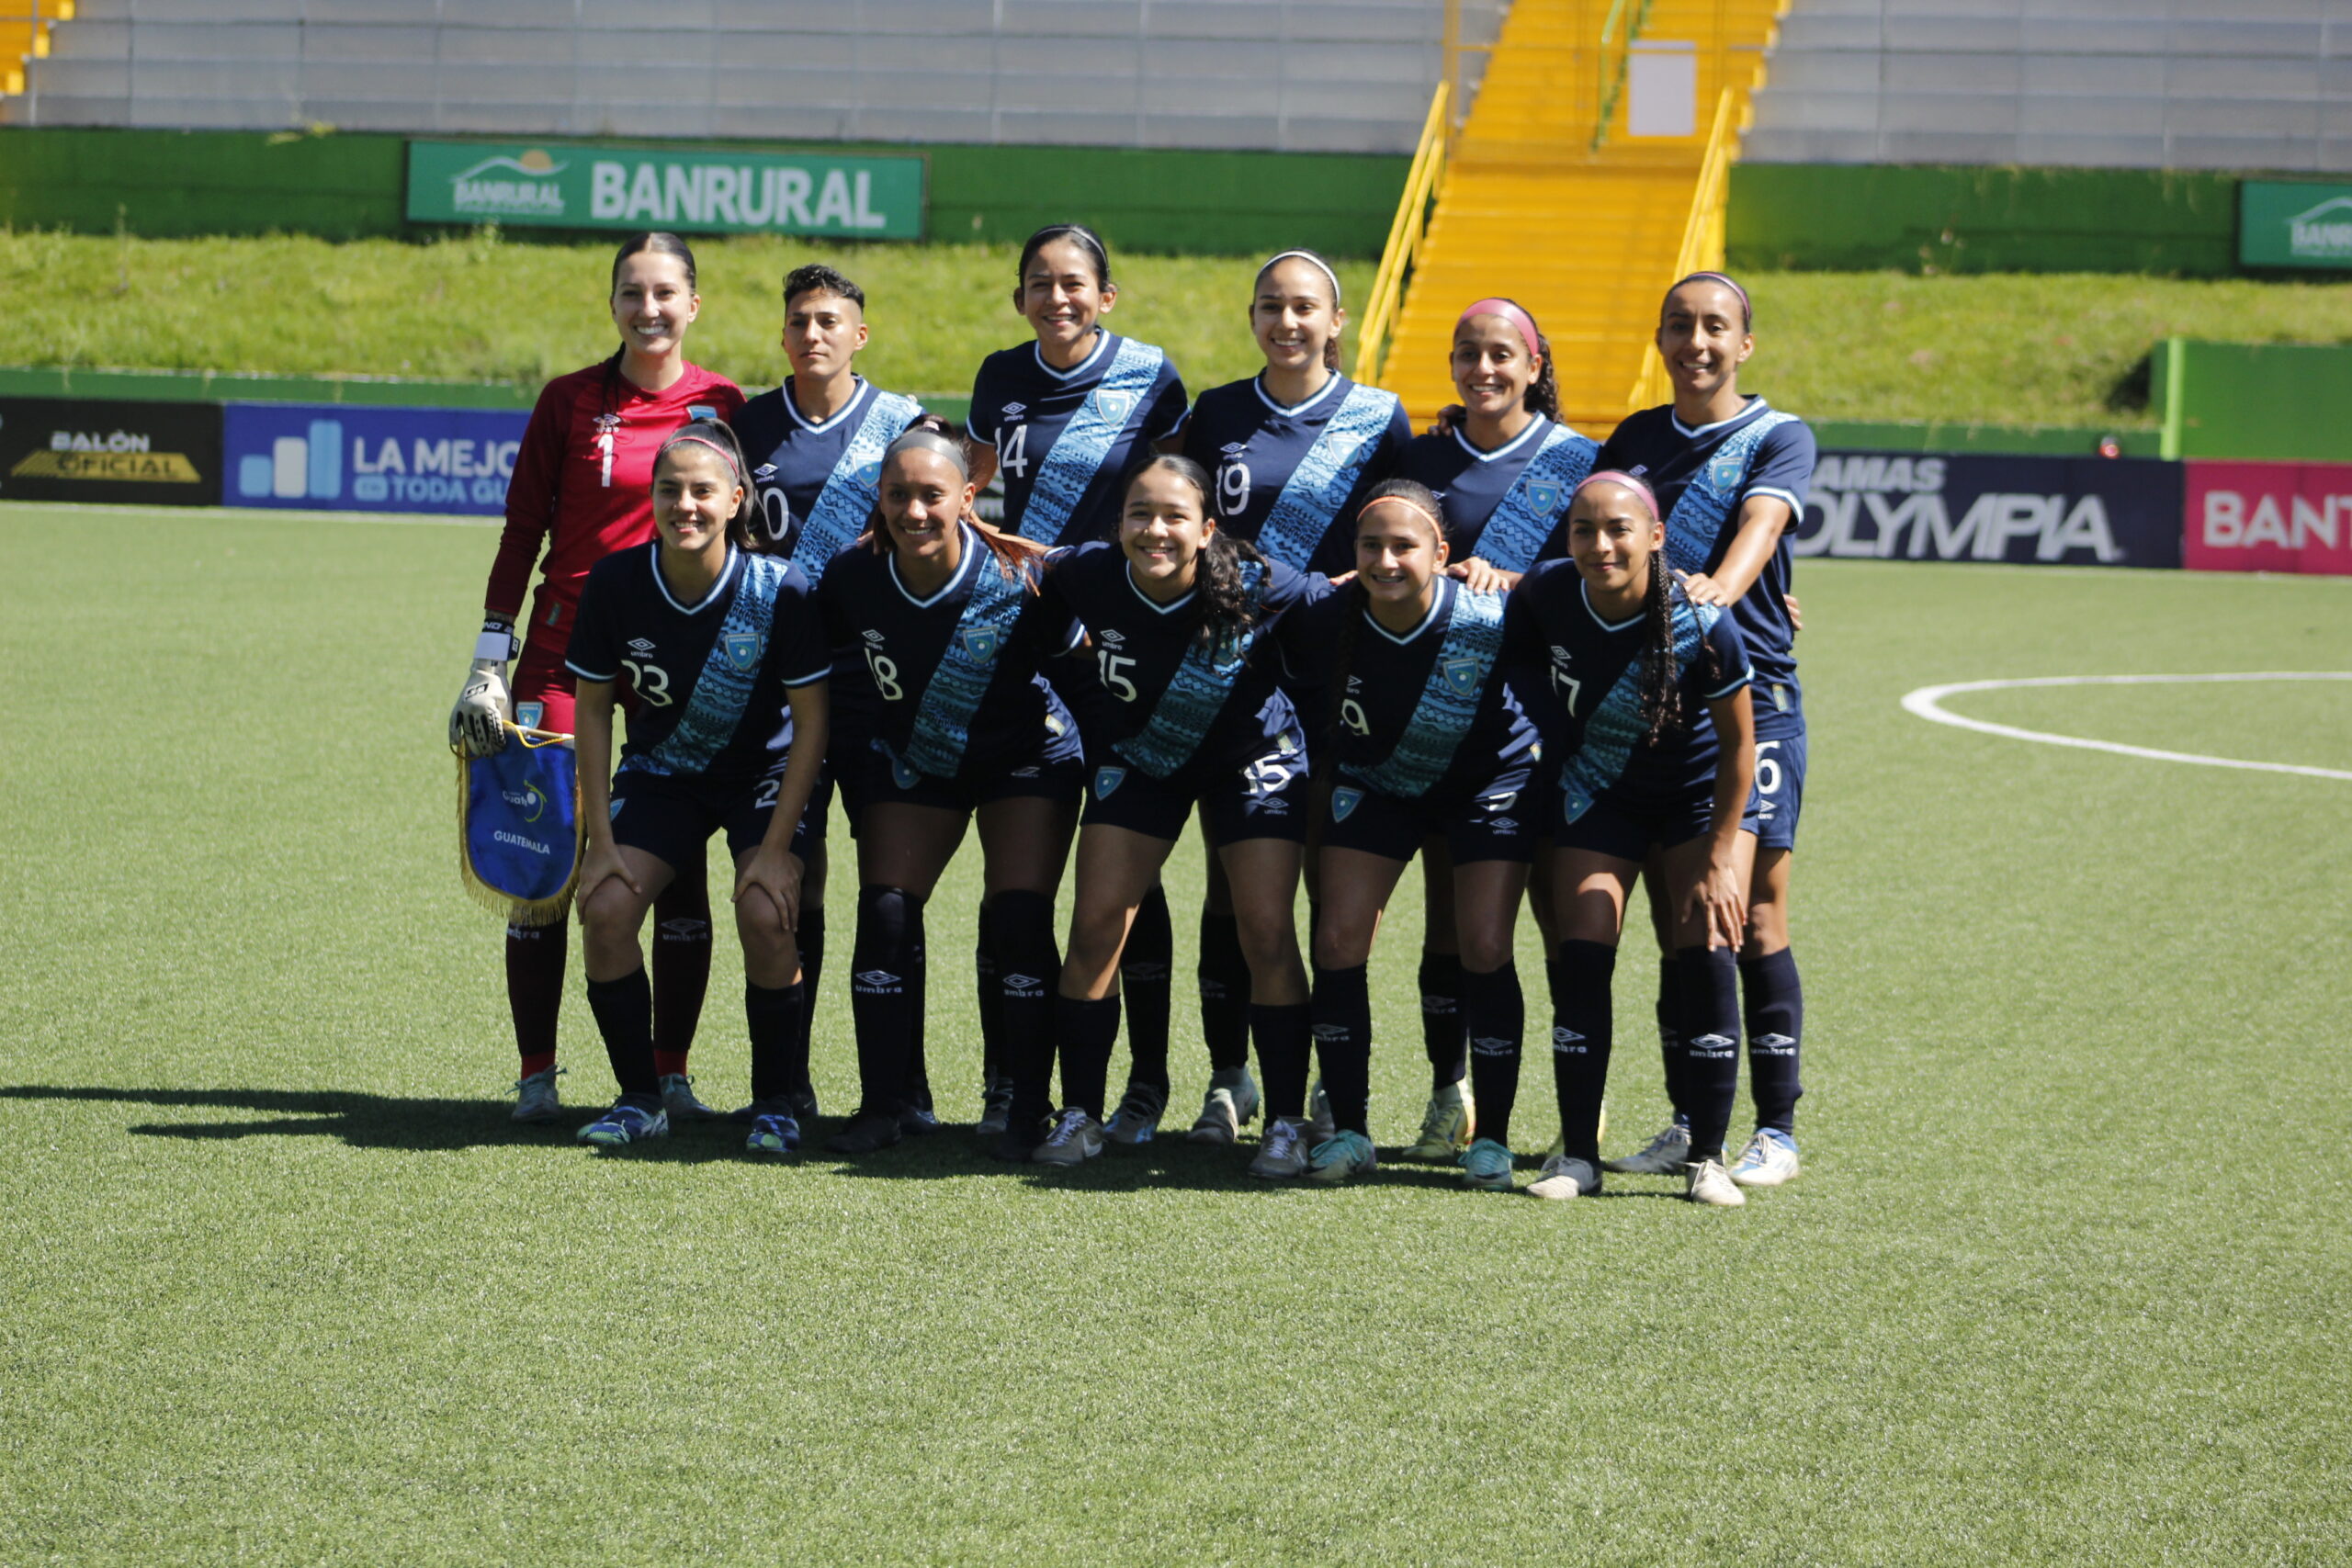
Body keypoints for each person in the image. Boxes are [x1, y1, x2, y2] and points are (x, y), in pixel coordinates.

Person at [449, 231, 744, 1128]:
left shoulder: (725, 403)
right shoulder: (570, 401)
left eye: (665, 293)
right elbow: (520, 533)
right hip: (563, 666)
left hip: (682, 673)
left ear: (693, 303)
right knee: (541, 870)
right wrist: (489, 659)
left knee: (676, 872)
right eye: (631, 292)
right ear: (611, 302)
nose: (648, 309)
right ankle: (537, 1076)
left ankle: (670, 1074)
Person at [1171, 248, 1415, 1147]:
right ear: (1252, 316)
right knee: (1232, 888)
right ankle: (1227, 1077)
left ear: (1336, 321)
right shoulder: (1217, 414)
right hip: (1229, 672)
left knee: (1322, 885)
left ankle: (1317, 1078)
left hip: (1338, 677)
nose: (1287, 321)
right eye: (1271, 306)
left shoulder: (1379, 418)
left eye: (1304, 307)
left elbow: (1407, 531)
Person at [967, 222, 1193, 1145]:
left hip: (1115, 645)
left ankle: (1144, 1082)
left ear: (1106, 295)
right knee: (1012, 876)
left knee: (1124, 872)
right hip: (1022, 640)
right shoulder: (997, 376)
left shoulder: (1150, 376)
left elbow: (1170, 499)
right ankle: (1005, 1076)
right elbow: (977, 490)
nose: (1056, 297)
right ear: (1020, 295)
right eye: (1039, 283)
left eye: (1074, 284)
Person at [1593, 271, 1816, 1190]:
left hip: (1751, 702)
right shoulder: (1636, 438)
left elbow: (1762, 527)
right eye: (1679, 326)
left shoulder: (1777, 436)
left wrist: (1721, 591)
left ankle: (1776, 1128)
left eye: (1715, 327)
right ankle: (1693, 1115)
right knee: (1677, 923)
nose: (1696, 343)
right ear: (1659, 338)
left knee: (1749, 912)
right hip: (1654, 705)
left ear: (1744, 344)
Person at [1030, 456, 1316, 1173]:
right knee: (1095, 925)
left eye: (1174, 516)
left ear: (1206, 528)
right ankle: (1080, 1114)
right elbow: (1042, 598)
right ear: (1117, 521)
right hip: (1146, 758)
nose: (1155, 530)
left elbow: (1340, 605)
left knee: (1266, 928)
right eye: (1139, 513)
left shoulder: (1259, 582)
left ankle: (1285, 1119)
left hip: (1250, 758)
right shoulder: (1087, 572)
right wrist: (1094, 703)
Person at [815, 424, 1084, 1160]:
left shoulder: (1020, 577)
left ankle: (1028, 1105)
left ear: (967, 497)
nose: (915, 511)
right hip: (922, 759)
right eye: (898, 495)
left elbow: (1084, 676)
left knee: (1020, 915)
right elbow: (832, 677)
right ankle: (884, 1103)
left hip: (1026, 759)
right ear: (878, 498)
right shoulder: (851, 576)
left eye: (933, 495)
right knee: (887, 911)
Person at [563, 422, 831, 1154]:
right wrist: (601, 841)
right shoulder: (616, 581)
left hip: (763, 778)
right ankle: (639, 1098)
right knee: (608, 908)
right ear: (650, 498)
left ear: (736, 499)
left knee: (766, 910)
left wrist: (777, 849)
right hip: (665, 774)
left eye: (702, 491)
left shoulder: (782, 589)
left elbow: (812, 724)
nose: (686, 504)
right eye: (669, 490)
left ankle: (776, 1103)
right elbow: (591, 709)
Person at [1503, 471, 1758, 1205]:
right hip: (1599, 794)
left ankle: (1706, 1157)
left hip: (1690, 801)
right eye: (1584, 529)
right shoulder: (1547, 594)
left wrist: (1719, 855)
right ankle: (1578, 1153)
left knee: (1705, 947)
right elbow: (1516, 655)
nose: (1600, 544)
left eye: (1618, 529)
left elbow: (1740, 747)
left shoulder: (1702, 622)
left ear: (1655, 537)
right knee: (1582, 952)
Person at [1388, 297, 1600, 1160]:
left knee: (1556, 924)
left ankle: (1569, 1119)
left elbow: (1614, 557)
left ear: (1535, 365)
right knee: (1454, 924)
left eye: (1503, 354)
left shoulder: (1581, 458)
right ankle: (1452, 1094)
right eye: (1468, 353)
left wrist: (1516, 578)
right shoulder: (1419, 457)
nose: (1485, 369)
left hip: (1552, 721)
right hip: (1445, 719)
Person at [1288, 481, 1540, 1186]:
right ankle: (1350, 1130)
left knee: (1485, 944)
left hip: (1485, 787)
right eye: (1372, 545)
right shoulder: (1326, 610)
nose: (1388, 559)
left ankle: (1489, 1136)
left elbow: (1581, 606)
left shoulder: (1494, 611)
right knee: (1337, 940)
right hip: (1378, 785)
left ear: (1444, 553)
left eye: (1406, 545)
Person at [729, 263, 924, 1127]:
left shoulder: (901, 426)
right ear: (784, 335)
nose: (815, 334)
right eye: (800, 321)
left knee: (892, 891)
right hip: (777, 697)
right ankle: (789, 1087)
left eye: (831, 320)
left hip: (883, 688)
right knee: (791, 884)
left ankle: (901, 1090)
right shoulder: (746, 427)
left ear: (859, 334)